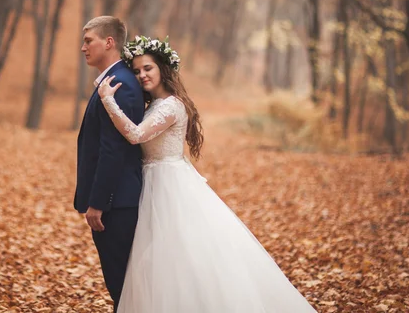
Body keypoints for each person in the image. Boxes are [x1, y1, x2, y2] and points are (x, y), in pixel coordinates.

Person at [97, 35, 317, 312]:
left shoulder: (171, 106)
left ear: (163, 69)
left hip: (169, 185)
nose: (142, 75)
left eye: (148, 68)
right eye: (138, 70)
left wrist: (108, 100)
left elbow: (136, 135)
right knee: (157, 259)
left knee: (181, 254)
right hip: (153, 181)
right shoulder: (153, 105)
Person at [74, 16, 145, 312]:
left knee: (123, 286)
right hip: (116, 203)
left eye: (88, 40)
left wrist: (99, 202)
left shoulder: (121, 85)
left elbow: (113, 150)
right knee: (122, 286)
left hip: (117, 206)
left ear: (109, 42)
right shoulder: (113, 80)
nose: (83, 47)